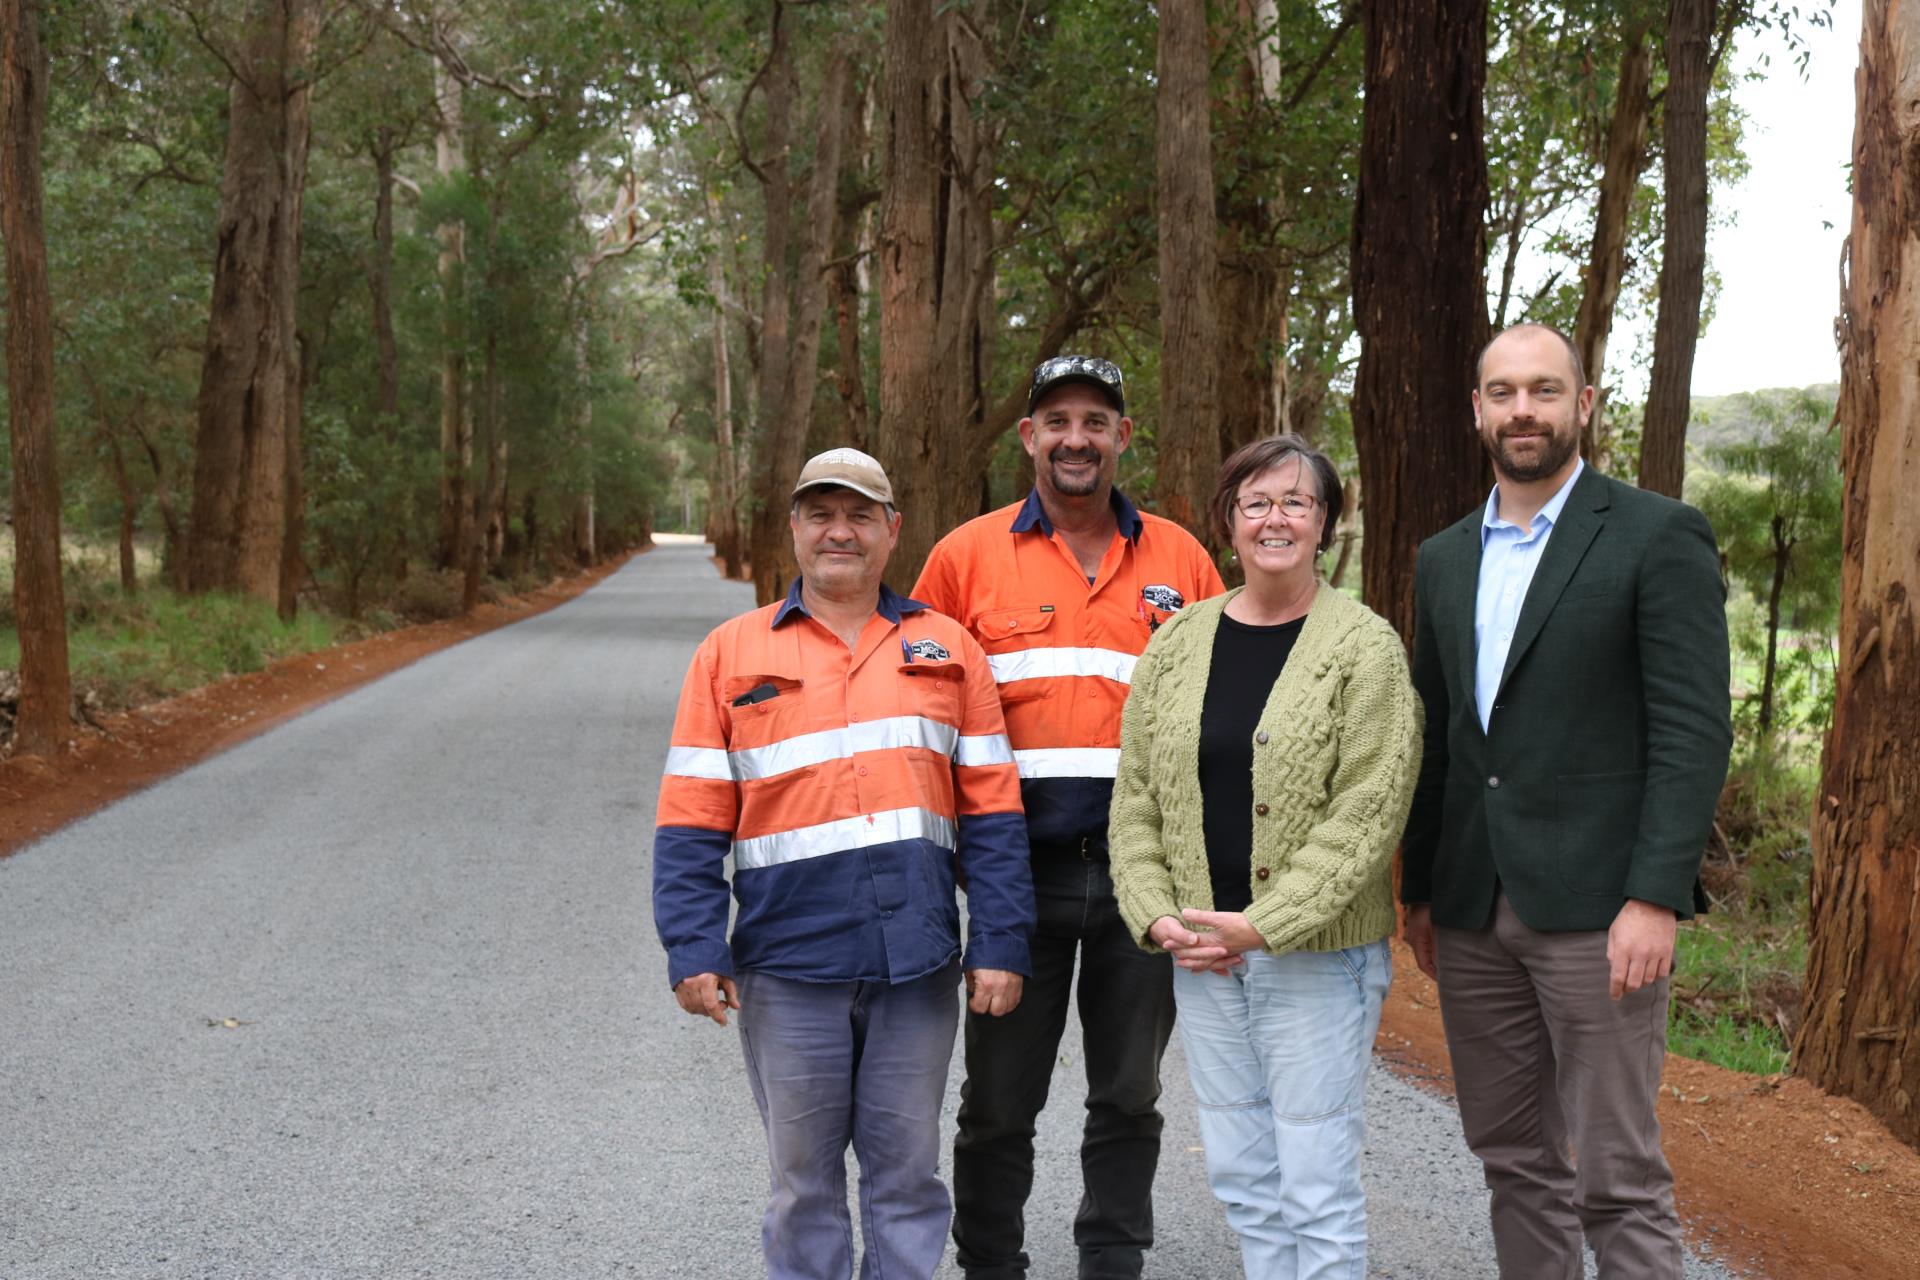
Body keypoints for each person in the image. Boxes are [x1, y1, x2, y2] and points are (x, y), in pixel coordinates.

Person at [653, 447, 1036, 1280]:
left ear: (892, 531)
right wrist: (693, 947)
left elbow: (995, 815)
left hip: (918, 968)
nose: (841, 531)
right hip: (789, 966)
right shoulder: (730, 652)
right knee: (804, 1185)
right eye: (821, 514)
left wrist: (1001, 941)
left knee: (907, 1178)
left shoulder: (949, 649)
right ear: (793, 529)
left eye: (860, 514)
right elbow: (690, 820)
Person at [1401, 323, 1733, 1278]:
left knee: (1618, 1180)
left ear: (1583, 405)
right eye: (1503, 393)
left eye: (1545, 391)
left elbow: (1691, 730)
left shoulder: (1655, 533)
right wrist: (1422, 889)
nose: (1523, 411)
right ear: (1477, 411)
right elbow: (1439, 734)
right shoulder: (1445, 557)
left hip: (1602, 911)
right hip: (1470, 906)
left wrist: (1656, 895)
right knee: (1515, 1165)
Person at [910, 355, 1225, 1279]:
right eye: (1058, 421)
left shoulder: (1182, 560)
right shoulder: (964, 558)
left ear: (1124, 436)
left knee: (1128, 1094)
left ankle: (1111, 1260)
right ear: (1029, 438)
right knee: (999, 1099)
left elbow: (1217, 712)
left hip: (1144, 878)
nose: (1076, 438)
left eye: (1096, 420)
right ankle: (991, 1265)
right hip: (1016, 877)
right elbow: (923, 717)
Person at [1106, 434, 1421, 1278]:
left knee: (1315, 1187)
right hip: (1202, 957)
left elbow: (1369, 809)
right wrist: (1157, 914)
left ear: (1325, 525)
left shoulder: (1364, 647)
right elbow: (1137, 796)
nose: (1274, 518)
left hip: (1315, 961)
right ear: (1229, 521)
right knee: (1245, 1177)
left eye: (1296, 502)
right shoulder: (1177, 642)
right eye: (1256, 502)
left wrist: (1264, 925)